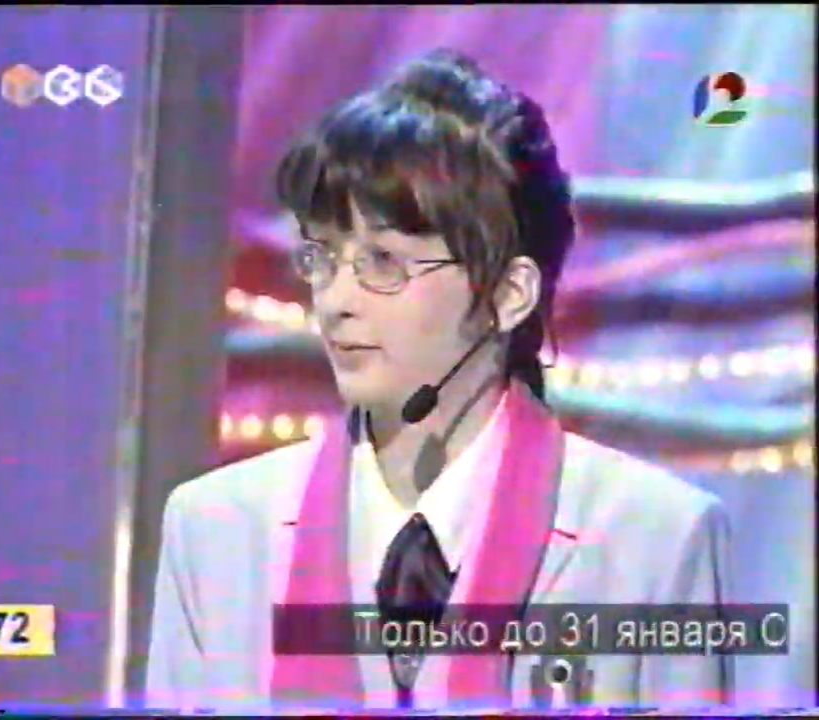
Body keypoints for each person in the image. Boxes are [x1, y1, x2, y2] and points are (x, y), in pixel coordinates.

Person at [145, 49, 734, 713]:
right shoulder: (216, 529)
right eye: (322, 257)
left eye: (383, 262)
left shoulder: (655, 536)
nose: (335, 300)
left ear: (508, 293)